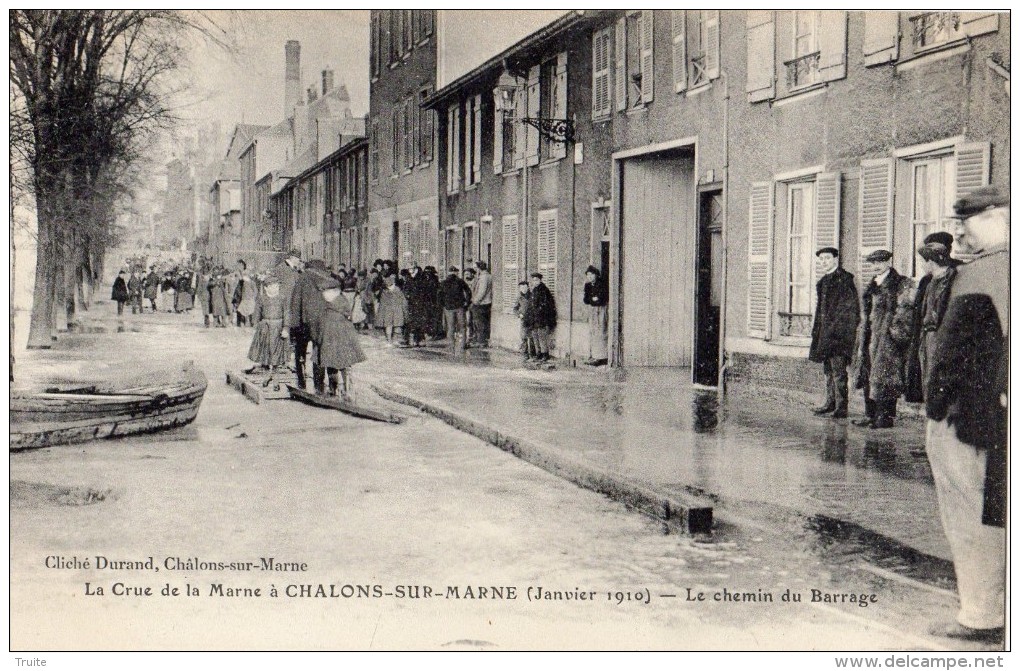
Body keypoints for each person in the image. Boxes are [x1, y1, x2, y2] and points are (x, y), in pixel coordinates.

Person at [924, 186, 1007, 644]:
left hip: (968, 422)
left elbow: (952, 354)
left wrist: (935, 411)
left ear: (998, 217)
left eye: (967, 221)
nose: (959, 231)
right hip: (993, 420)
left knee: (972, 520)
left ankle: (980, 616)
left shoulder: (987, 273)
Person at [852, 250, 915, 429]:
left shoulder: (900, 283)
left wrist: (894, 333)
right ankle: (870, 414)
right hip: (870, 335)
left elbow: (905, 311)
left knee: (886, 376)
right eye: (873, 263)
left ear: (888, 262)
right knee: (867, 373)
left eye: (880, 261)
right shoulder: (872, 284)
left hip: (887, 338)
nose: (876, 266)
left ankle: (884, 417)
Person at [904, 231, 961, 403]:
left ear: (931, 261)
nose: (921, 265)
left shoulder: (951, 279)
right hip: (926, 335)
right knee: (927, 377)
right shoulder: (929, 282)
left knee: (940, 379)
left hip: (940, 336)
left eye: (923, 261)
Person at [808, 248, 860, 419]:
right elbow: (820, 310)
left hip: (839, 336)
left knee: (839, 372)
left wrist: (838, 331)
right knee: (828, 370)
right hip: (825, 335)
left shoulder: (844, 279)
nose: (824, 262)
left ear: (836, 259)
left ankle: (841, 407)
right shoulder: (823, 281)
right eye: (821, 259)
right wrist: (817, 331)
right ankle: (830, 403)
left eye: (827, 258)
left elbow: (849, 310)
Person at [312, 275, 366, 398]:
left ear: (335, 292)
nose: (324, 295)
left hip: (338, 340)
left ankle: (344, 390)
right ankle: (334, 389)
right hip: (329, 340)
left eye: (326, 292)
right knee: (332, 364)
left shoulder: (337, 304)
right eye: (323, 292)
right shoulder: (331, 304)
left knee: (341, 365)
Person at [287, 258, 330, 393]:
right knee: (319, 353)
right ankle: (319, 385)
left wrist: (293, 326)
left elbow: (295, 302)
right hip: (321, 323)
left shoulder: (302, 279)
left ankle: (301, 382)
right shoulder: (327, 279)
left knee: (300, 352)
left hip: (303, 323)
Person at [246, 274, 288, 372]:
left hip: (278, 326)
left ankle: (276, 365)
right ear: (266, 288)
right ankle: (264, 364)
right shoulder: (261, 299)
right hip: (265, 326)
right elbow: (257, 312)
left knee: (277, 347)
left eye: (277, 286)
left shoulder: (282, 298)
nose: (276, 289)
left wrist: (286, 328)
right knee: (264, 345)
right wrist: (255, 324)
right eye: (273, 286)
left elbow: (287, 313)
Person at [524, 272, 557, 362]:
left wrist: (540, 311)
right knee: (535, 335)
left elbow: (547, 305)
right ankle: (538, 353)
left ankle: (545, 354)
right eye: (533, 280)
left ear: (540, 280)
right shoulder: (534, 290)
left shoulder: (544, 290)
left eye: (536, 280)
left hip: (542, 317)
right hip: (534, 317)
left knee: (541, 335)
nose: (535, 282)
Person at [582, 265, 609, 366]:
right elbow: (585, 300)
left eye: (591, 274)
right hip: (592, 310)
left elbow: (603, 298)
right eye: (588, 275)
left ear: (596, 275)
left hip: (601, 310)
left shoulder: (602, 284)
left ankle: (602, 357)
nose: (589, 277)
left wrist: (594, 299)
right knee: (593, 332)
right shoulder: (588, 285)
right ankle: (594, 355)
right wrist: (593, 299)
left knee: (601, 331)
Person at [439, 266, 472, 348]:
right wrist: (466, 302)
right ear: (456, 272)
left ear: (449, 272)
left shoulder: (443, 282)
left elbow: (439, 295)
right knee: (462, 326)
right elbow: (468, 291)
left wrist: (443, 304)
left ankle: (451, 344)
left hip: (449, 308)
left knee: (451, 327)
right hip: (460, 306)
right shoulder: (460, 281)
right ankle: (463, 344)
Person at [377, 273, 408, 344]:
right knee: (393, 325)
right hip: (394, 310)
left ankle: (392, 340)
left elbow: (403, 301)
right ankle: (391, 340)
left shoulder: (389, 291)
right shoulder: (395, 290)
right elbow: (403, 301)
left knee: (394, 325)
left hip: (394, 310)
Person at [470, 261, 493, 348]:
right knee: (482, 323)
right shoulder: (487, 276)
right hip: (485, 303)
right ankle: (482, 340)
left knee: (479, 323)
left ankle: (481, 341)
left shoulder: (484, 278)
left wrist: (475, 301)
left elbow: (482, 292)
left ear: (479, 268)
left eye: (476, 268)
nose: (475, 270)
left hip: (481, 303)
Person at [512, 280, 535, 361]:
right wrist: (519, 314)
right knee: (523, 337)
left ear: (528, 287)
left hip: (532, 319)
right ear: (519, 289)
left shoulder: (532, 296)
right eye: (521, 287)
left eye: (525, 287)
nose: (523, 289)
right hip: (524, 320)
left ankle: (532, 354)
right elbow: (515, 309)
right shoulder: (519, 297)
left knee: (532, 337)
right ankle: (525, 354)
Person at [232, 260, 257, 327]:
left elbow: (253, 289)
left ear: (243, 265)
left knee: (248, 310)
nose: (239, 267)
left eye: (241, 265)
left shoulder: (246, 276)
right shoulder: (236, 273)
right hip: (239, 294)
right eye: (238, 265)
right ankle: (239, 323)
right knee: (240, 309)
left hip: (246, 296)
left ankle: (249, 322)